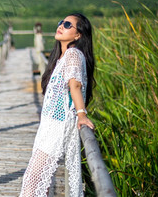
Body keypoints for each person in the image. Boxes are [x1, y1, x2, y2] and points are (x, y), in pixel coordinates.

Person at [20, 13, 96, 197]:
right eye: (61, 22)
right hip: (49, 126)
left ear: (78, 35)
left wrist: (81, 114)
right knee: (37, 182)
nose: (61, 25)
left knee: (32, 182)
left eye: (68, 24)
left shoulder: (72, 54)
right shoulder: (62, 57)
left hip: (57, 127)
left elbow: (75, 85)